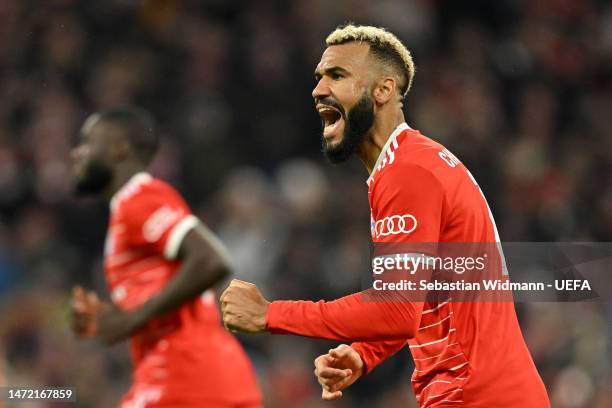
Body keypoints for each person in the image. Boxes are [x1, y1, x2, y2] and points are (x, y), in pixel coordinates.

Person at [220, 24, 550, 407]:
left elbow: (396, 308)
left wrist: (272, 314)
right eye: (319, 77)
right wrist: (366, 353)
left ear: (383, 89)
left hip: (477, 397)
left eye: (337, 75)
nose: (318, 89)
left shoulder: (406, 173)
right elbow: (424, 293)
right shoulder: (413, 162)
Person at [69, 107, 262, 408]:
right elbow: (165, 298)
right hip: (203, 378)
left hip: (186, 378)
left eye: (88, 142)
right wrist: (112, 317)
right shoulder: (129, 207)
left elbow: (212, 260)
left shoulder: (140, 196)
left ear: (119, 147)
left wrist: (134, 317)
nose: (77, 153)